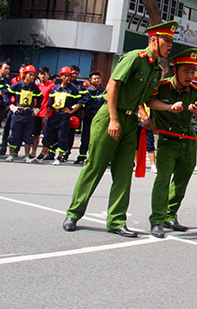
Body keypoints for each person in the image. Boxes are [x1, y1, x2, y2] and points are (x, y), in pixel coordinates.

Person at [63, 21, 177, 238]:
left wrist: (163, 110)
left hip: (130, 122)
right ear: (154, 39)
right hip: (110, 116)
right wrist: (114, 119)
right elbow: (112, 85)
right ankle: (74, 213)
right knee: (94, 167)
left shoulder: (155, 69)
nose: (170, 45)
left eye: (171, 41)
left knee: (124, 173)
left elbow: (148, 99)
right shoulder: (135, 58)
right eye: (167, 40)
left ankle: (116, 220)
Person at [146, 48, 197, 238]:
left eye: (192, 72)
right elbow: (150, 102)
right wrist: (169, 107)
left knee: (181, 181)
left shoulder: (195, 92)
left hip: (189, 142)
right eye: (186, 71)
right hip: (168, 141)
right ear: (175, 70)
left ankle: (170, 216)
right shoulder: (162, 87)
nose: (190, 76)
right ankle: (157, 220)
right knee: (163, 180)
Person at [42, 66, 81, 164]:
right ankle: (47, 153)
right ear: (61, 76)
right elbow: (50, 103)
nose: (67, 78)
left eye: (69, 76)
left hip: (64, 116)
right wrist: (46, 115)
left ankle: (60, 156)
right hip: (54, 114)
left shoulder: (73, 89)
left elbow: (80, 101)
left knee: (62, 136)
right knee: (50, 135)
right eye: (65, 76)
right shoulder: (55, 88)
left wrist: (71, 111)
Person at [4, 65, 42, 162]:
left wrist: (37, 108)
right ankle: (11, 154)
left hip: (29, 113)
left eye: (34, 75)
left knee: (28, 135)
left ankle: (26, 156)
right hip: (18, 112)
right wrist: (11, 105)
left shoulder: (34, 88)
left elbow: (40, 97)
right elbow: (6, 93)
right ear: (25, 75)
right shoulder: (17, 85)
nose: (32, 77)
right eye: (30, 75)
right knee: (14, 134)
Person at [76, 71, 106, 164]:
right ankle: (82, 156)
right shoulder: (87, 91)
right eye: (95, 79)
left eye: (98, 78)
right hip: (88, 118)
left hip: (100, 119)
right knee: (86, 137)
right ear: (90, 80)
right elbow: (82, 104)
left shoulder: (105, 91)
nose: (97, 80)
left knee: (99, 138)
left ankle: (96, 157)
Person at [31, 67, 55, 161]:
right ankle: (33, 152)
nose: (42, 76)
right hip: (37, 113)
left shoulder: (52, 86)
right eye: (40, 74)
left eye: (44, 74)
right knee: (36, 134)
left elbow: (52, 101)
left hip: (46, 114)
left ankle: (45, 153)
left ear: (48, 75)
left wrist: (47, 114)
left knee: (47, 134)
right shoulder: (37, 86)